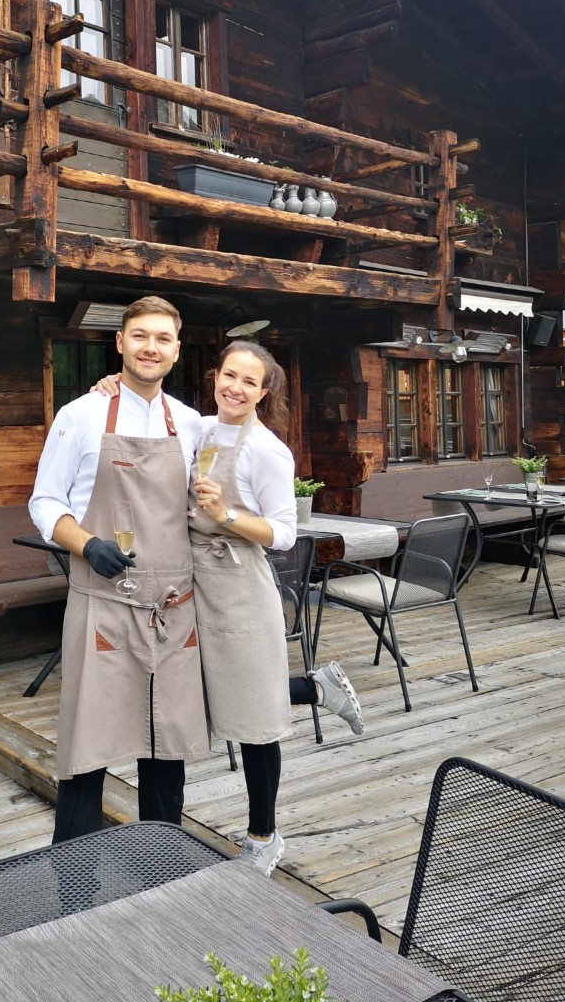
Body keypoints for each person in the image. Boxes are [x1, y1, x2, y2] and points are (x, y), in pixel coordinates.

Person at [28, 295, 209, 844]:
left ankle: (161, 875)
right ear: (120, 343)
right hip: (103, 607)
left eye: (162, 339)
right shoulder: (79, 416)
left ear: (177, 351)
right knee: (87, 755)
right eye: (140, 336)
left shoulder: (194, 425)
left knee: (166, 753)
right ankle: (72, 883)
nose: (150, 347)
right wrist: (86, 545)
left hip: (173, 612)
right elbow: (44, 503)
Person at [189, 340, 362, 873]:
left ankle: (263, 836)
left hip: (239, 583)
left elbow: (285, 533)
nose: (235, 388)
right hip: (190, 577)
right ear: (215, 376)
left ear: (264, 392)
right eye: (229, 376)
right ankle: (314, 688)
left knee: (256, 719)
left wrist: (225, 514)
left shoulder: (268, 450)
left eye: (249, 382)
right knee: (198, 691)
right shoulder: (196, 428)